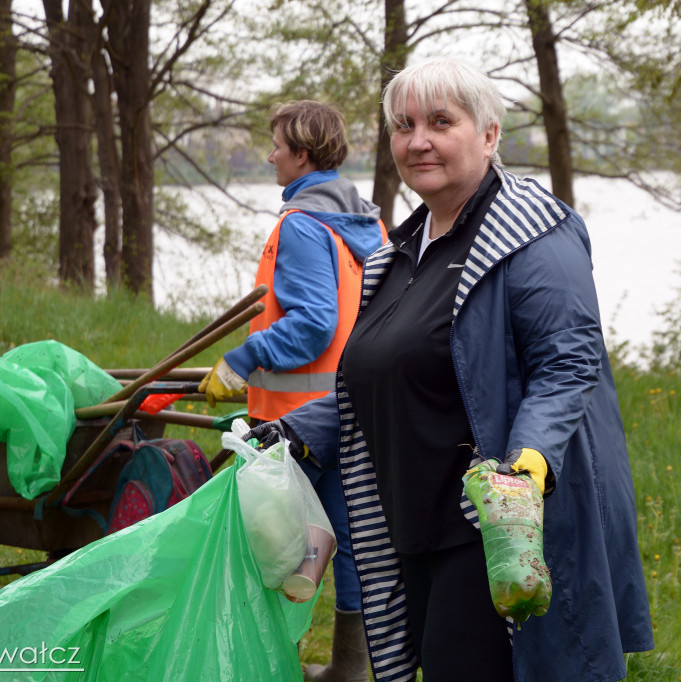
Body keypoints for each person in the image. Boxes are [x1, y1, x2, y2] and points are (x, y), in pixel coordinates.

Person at [246, 58, 654, 681]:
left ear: (489, 135)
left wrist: (529, 461)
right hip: (413, 519)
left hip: (494, 525)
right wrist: (299, 429)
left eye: (441, 121)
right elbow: (381, 375)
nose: (418, 141)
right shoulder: (406, 249)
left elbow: (568, 361)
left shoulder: (533, 235)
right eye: (403, 126)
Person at [198, 99, 385, 682]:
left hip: (299, 423)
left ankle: (255, 662)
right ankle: (350, 671)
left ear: (302, 154)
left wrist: (240, 361)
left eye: (277, 144)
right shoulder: (368, 223)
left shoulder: (304, 224)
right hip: (352, 409)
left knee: (270, 544)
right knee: (347, 541)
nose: (270, 154)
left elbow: (313, 324)